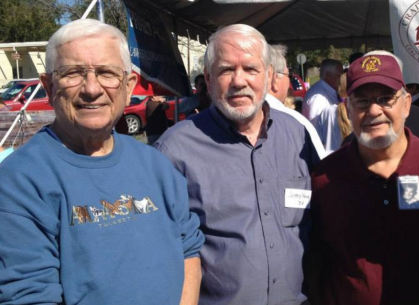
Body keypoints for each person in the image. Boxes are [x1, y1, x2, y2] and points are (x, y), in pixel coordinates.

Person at [0, 19, 204, 305]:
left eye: (107, 73)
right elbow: (28, 295)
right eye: (73, 73)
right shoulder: (19, 180)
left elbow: (188, 251)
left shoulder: (156, 165)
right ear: (48, 86)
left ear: (128, 84)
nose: (92, 89)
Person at [154, 24, 319, 305]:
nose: (238, 81)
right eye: (226, 70)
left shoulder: (297, 135)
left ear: (268, 76)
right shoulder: (175, 149)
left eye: (251, 69)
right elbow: (160, 252)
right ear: (207, 78)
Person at [308, 51, 419, 305]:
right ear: (348, 108)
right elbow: (316, 262)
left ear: (407, 104)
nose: (374, 111)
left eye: (385, 99)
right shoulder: (325, 179)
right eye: (362, 101)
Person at [265, 44, 326, 159]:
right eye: (288, 75)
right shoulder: (297, 123)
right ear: (273, 79)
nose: (289, 83)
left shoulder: (227, 120)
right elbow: (321, 168)